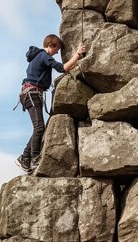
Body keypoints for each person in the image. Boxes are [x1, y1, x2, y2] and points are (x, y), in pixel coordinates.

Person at [15, 34, 86, 174]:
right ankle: (34, 158)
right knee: (39, 127)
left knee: (39, 128)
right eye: (57, 49)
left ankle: (24, 157)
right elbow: (62, 68)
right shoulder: (43, 56)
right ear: (50, 45)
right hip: (32, 93)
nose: (57, 52)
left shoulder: (38, 56)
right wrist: (77, 54)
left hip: (31, 93)